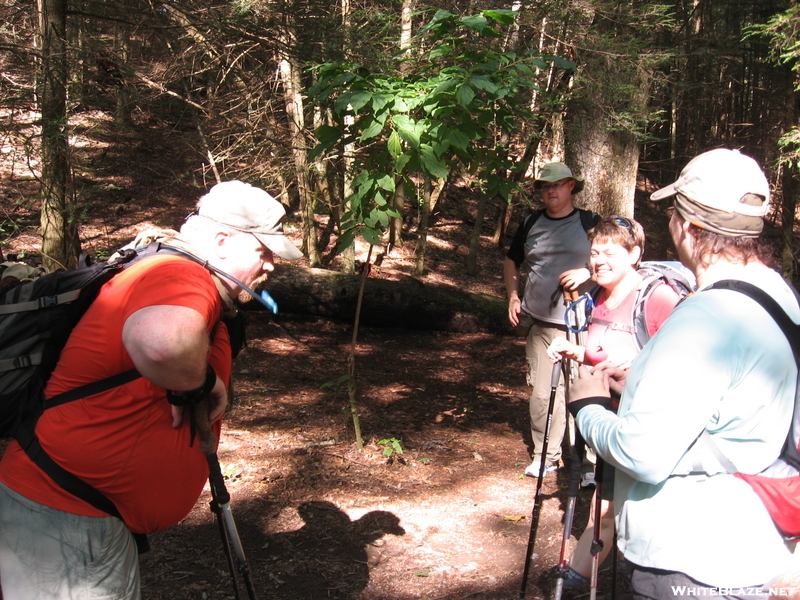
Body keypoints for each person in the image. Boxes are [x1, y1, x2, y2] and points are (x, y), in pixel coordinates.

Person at [0, 180, 303, 599]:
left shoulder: (168, 273)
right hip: (66, 518)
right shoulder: (178, 275)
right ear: (221, 241)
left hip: (75, 517)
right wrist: (203, 382)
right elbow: (161, 347)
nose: (271, 265)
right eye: (263, 252)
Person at [568, 148, 797, 599]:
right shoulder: (778, 294)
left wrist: (589, 406)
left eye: (672, 212)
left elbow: (641, 454)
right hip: (748, 540)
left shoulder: (705, 317)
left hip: (690, 557)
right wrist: (637, 386)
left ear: (688, 226)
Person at [545, 216, 681, 593]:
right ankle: (577, 577)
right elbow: (604, 354)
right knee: (604, 502)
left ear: (635, 254)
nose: (599, 260)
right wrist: (575, 351)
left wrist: (634, 371)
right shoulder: (599, 299)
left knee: (643, 508)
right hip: (612, 419)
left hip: (651, 425)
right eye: (594, 252)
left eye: (610, 252)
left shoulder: (658, 298)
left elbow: (682, 363)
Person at [504, 162, 600, 477]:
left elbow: (619, 257)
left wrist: (588, 271)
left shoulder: (590, 223)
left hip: (581, 325)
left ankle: (587, 463)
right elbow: (511, 260)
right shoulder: (531, 222)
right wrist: (513, 296)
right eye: (546, 186)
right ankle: (546, 455)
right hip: (540, 323)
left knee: (583, 391)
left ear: (571, 186)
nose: (551, 190)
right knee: (543, 393)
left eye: (557, 185)